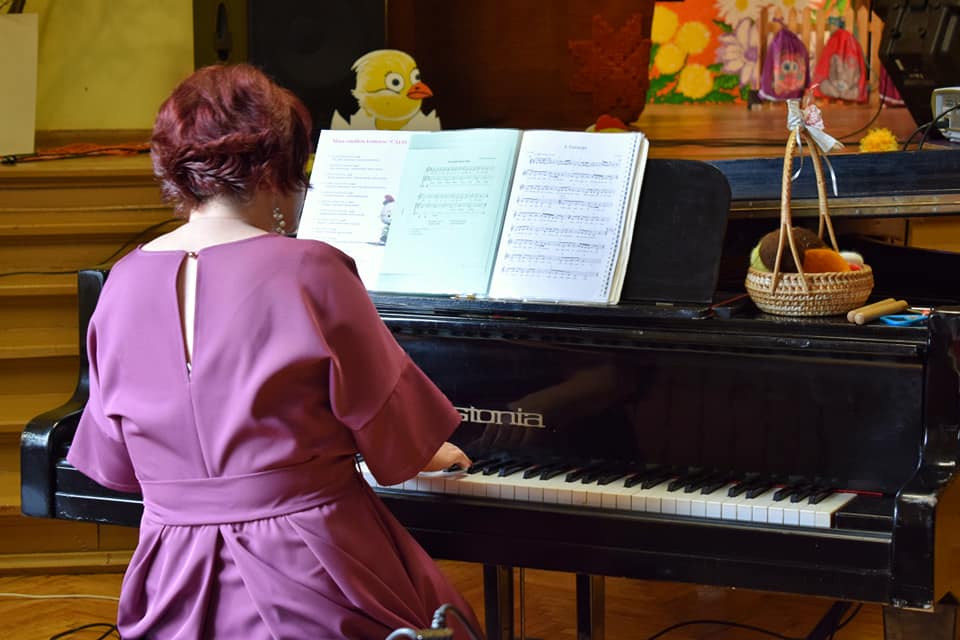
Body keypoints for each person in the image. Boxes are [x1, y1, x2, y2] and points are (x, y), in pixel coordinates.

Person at [66, 63, 481, 639]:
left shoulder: (123, 281)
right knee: (449, 619)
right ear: (277, 163)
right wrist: (433, 451)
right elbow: (397, 437)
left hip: (173, 578)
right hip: (312, 566)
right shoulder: (311, 269)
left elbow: (114, 462)